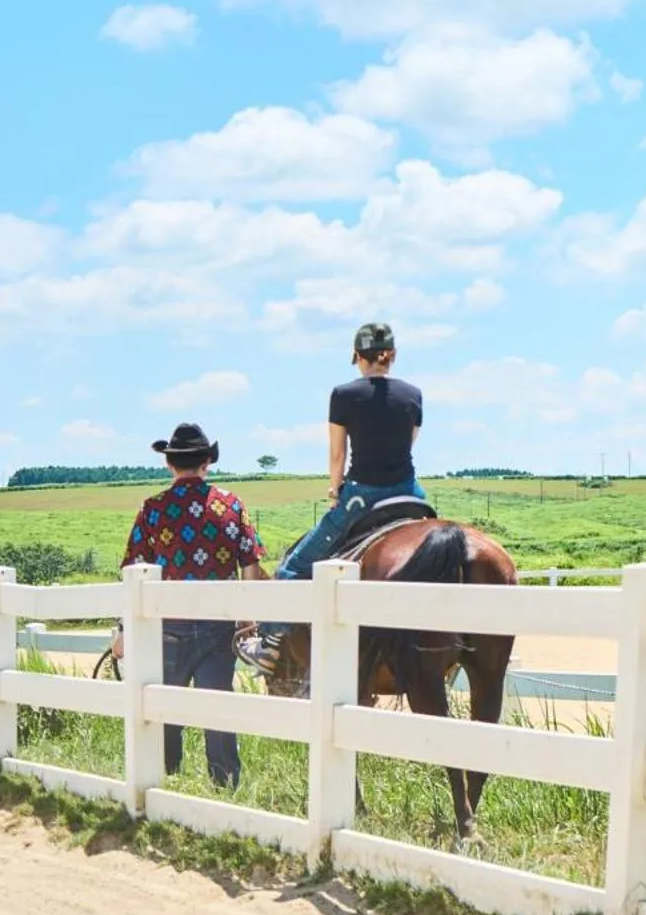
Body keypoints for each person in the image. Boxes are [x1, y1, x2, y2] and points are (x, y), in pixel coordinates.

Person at [251, 322, 425, 674]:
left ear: (358, 357)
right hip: (410, 492)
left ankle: (268, 645)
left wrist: (335, 491)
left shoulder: (343, 395)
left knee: (291, 569)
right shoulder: (413, 394)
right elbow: (410, 442)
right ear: (392, 356)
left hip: (362, 495)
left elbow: (336, 455)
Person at [121, 422, 268, 788]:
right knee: (218, 707)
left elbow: (134, 574)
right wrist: (248, 623)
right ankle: (225, 784)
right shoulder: (231, 504)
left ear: (171, 464)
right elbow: (250, 565)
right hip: (219, 627)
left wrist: (124, 630)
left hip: (167, 627)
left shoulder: (152, 509)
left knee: (165, 707)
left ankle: (165, 781)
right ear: (207, 463)